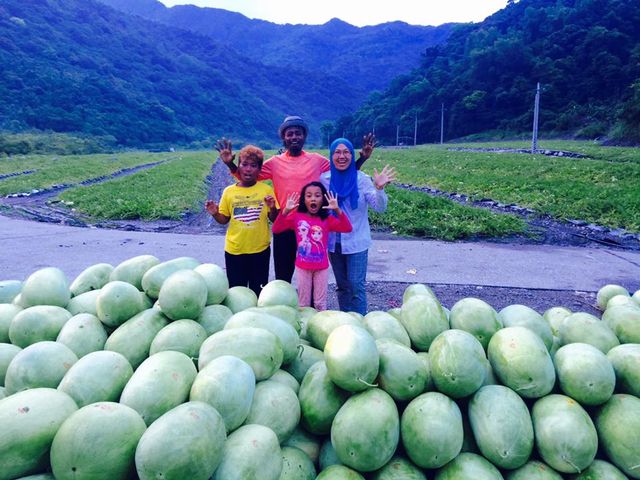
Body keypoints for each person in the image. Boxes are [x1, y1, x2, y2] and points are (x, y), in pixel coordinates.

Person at [217, 115, 376, 283]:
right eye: (289, 134)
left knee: (312, 273)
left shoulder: (317, 160)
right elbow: (247, 175)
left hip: (312, 224)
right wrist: (230, 164)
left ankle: (311, 306)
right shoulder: (274, 163)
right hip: (285, 222)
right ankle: (283, 303)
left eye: (298, 133)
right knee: (283, 275)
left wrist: (362, 158)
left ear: (304, 136)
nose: (294, 137)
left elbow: (342, 170)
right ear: (283, 138)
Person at [321, 137, 396, 315]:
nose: (341, 156)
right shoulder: (324, 179)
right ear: (331, 156)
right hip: (333, 242)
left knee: (356, 286)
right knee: (342, 286)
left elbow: (380, 207)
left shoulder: (362, 179)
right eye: (337, 152)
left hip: (357, 241)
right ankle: (346, 320)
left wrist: (379, 189)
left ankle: (361, 322)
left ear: (351, 155)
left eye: (346, 152)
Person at [206, 145, 277, 297]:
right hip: (235, 251)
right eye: (244, 164)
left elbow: (273, 219)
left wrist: (272, 208)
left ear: (259, 170)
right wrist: (215, 213)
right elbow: (224, 220)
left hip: (260, 251)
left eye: (253, 166)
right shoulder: (229, 192)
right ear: (238, 166)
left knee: (258, 292)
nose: (248, 169)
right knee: (237, 293)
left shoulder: (265, 190)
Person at [272, 181, 352, 310]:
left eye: (317, 195)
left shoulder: (327, 219)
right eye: (308, 196)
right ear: (304, 200)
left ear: (323, 199)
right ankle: (304, 327)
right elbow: (276, 229)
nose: (313, 198)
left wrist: (337, 209)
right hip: (302, 268)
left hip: (321, 268)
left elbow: (347, 228)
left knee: (320, 303)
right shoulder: (297, 217)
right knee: (303, 303)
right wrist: (285, 211)